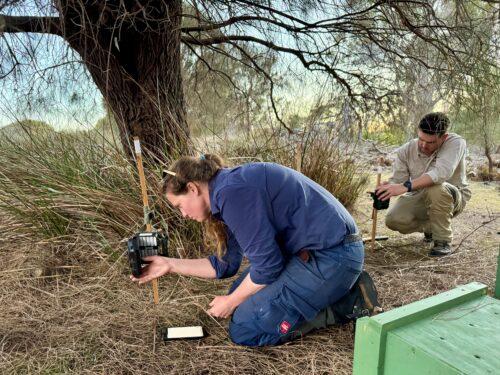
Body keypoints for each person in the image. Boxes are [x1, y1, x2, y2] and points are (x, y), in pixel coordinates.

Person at [130, 155, 377, 346]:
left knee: (244, 328)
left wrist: (231, 301)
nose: (183, 215)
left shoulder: (232, 192)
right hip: (320, 253)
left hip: (333, 257)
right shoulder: (227, 189)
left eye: (180, 206)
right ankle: (331, 292)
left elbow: (268, 266)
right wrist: (169, 264)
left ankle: (345, 302)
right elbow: (225, 265)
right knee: (239, 295)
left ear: (193, 188)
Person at [375, 112, 471, 256]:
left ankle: (442, 241)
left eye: (430, 142)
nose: (423, 145)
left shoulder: (456, 142)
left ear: (443, 137)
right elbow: (399, 180)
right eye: (421, 139)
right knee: (393, 220)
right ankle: (431, 228)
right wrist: (388, 187)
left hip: (452, 196)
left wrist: (405, 186)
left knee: (436, 188)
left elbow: (440, 174)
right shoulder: (406, 150)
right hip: (420, 195)